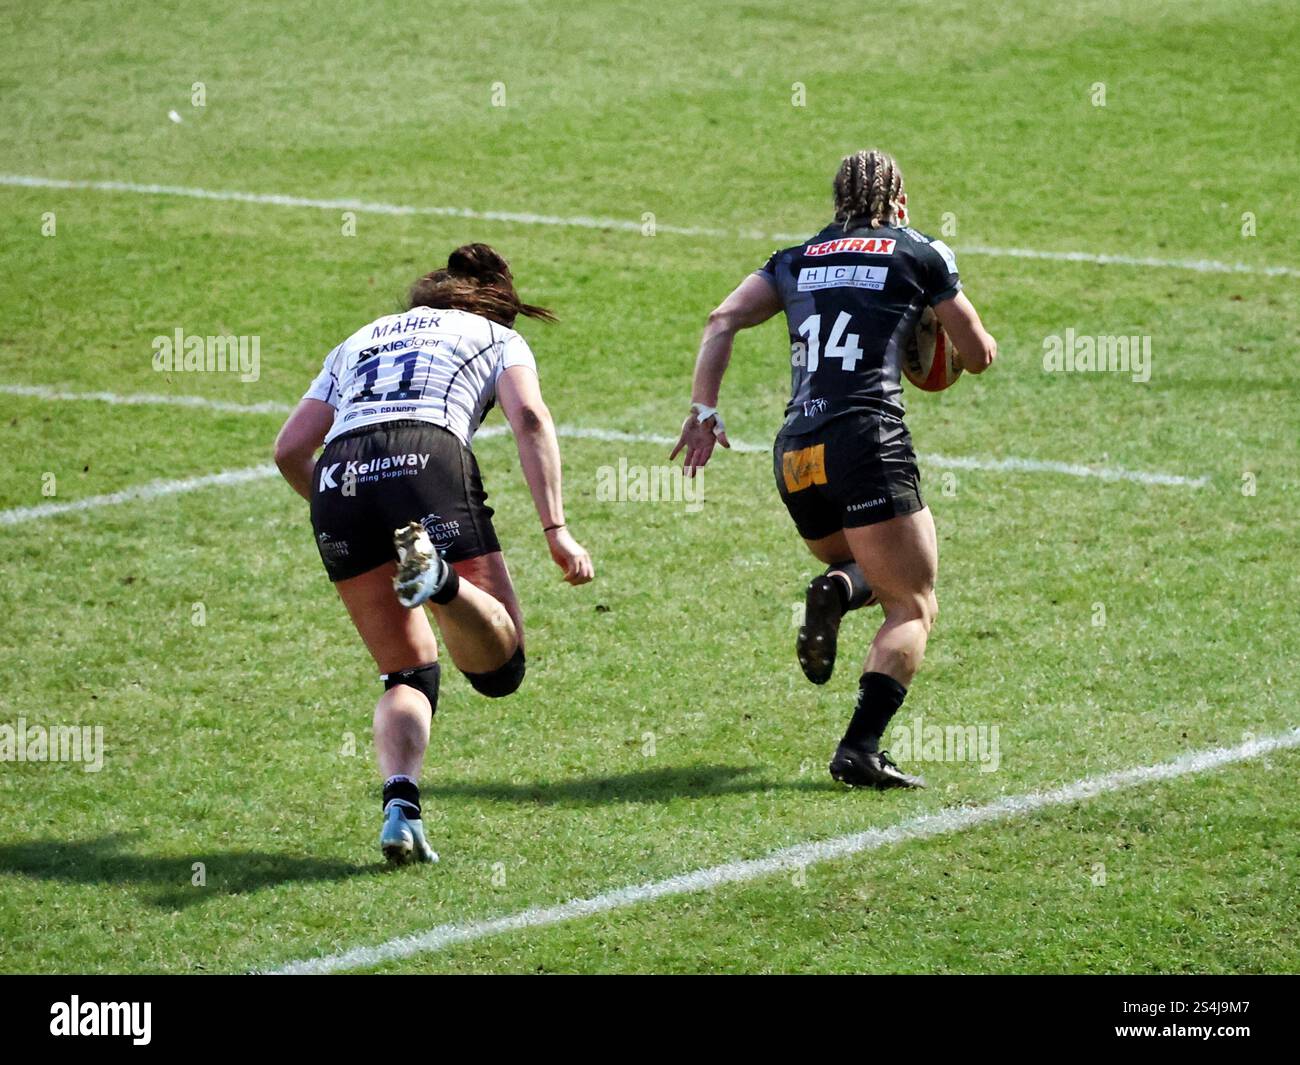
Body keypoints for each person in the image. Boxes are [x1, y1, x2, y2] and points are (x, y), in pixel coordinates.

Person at [671, 149, 996, 789]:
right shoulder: (921, 252)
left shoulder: (794, 258)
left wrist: (703, 408)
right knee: (912, 604)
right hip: (867, 440)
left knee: (866, 567)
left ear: (837, 203)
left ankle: (840, 590)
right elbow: (978, 355)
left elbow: (722, 318)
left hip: (796, 449)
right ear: (899, 202)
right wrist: (932, 339)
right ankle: (860, 748)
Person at [274, 243, 593, 863]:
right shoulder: (494, 335)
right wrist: (556, 529)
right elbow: (528, 417)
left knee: (407, 671)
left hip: (339, 477)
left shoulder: (359, 337)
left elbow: (289, 450)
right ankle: (440, 579)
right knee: (500, 671)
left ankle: (401, 810)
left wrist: (339, 511)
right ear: (499, 304)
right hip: (427, 457)